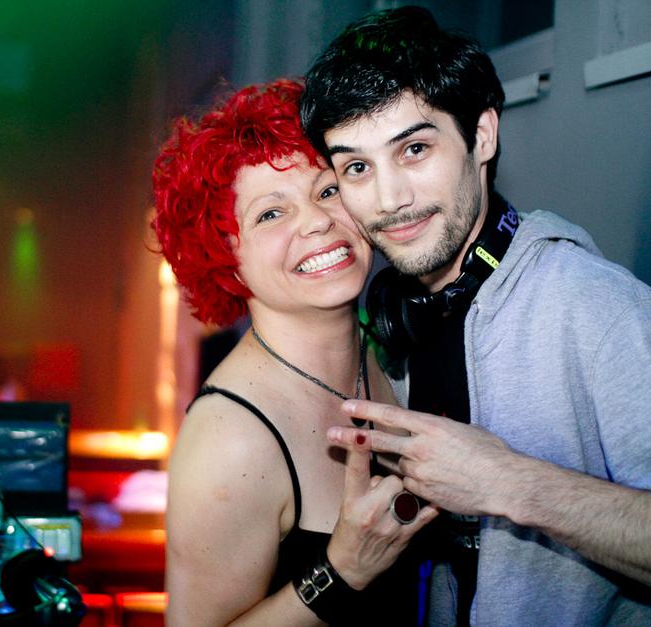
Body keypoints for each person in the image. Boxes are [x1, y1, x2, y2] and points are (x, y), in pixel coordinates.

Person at [299, 6, 651, 625]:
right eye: (357, 168)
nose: (389, 199)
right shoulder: (404, 320)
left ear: (482, 137)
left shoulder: (598, 309)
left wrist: (509, 483)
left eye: (415, 149)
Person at [152, 79, 437, 626]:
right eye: (270, 214)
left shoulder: (392, 353)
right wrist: (342, 570)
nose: (317, 220)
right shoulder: (229, 439)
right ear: (225, 258)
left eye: (327, 191)